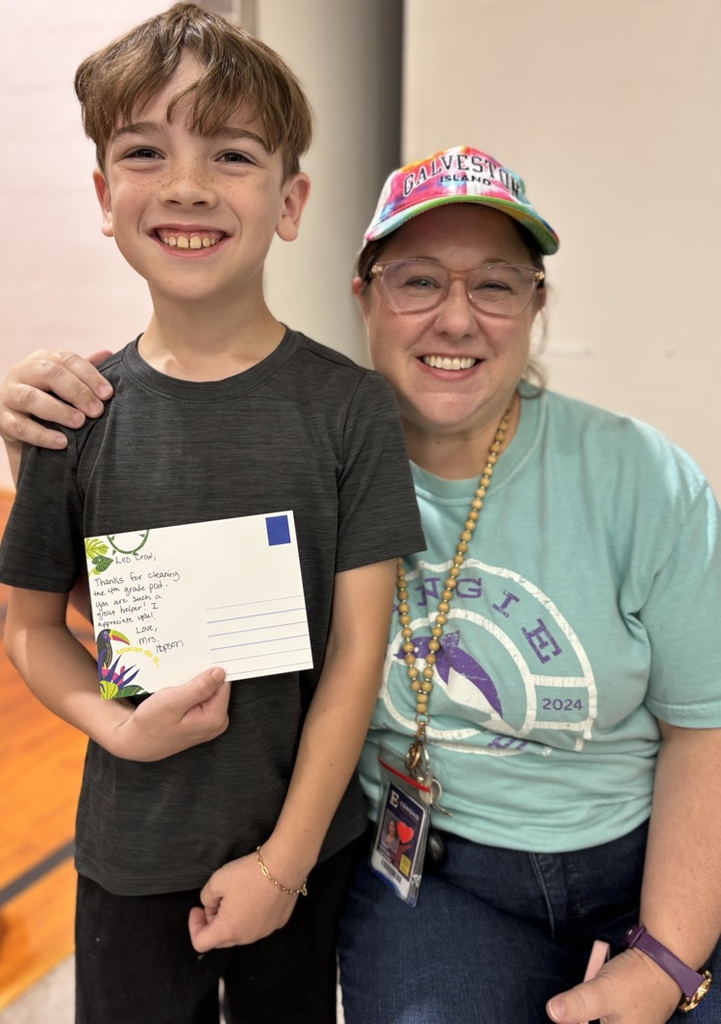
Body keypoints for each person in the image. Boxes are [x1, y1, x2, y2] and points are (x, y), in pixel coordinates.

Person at [1, 142, 720, 1024]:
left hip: (641, 858)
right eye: (417, 281)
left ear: (535, 305)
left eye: (495, 285)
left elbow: (704, 728)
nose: (455, 318)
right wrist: (49, 454)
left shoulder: (643, 477)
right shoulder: (294, 452)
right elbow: (162, 619)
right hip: (432, 873)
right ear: (364, 295)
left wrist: (666, 958)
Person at [0, 7, 425, 1024]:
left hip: (303, 848)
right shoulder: (72, 413)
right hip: (129, 852)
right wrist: (115, 726)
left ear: (290, 200)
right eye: (145, 151)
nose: (187, 184)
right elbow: (30, 627)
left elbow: (356, 652)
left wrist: (283, 863)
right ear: (104, 196)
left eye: (231, 153)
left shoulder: (349, 409)